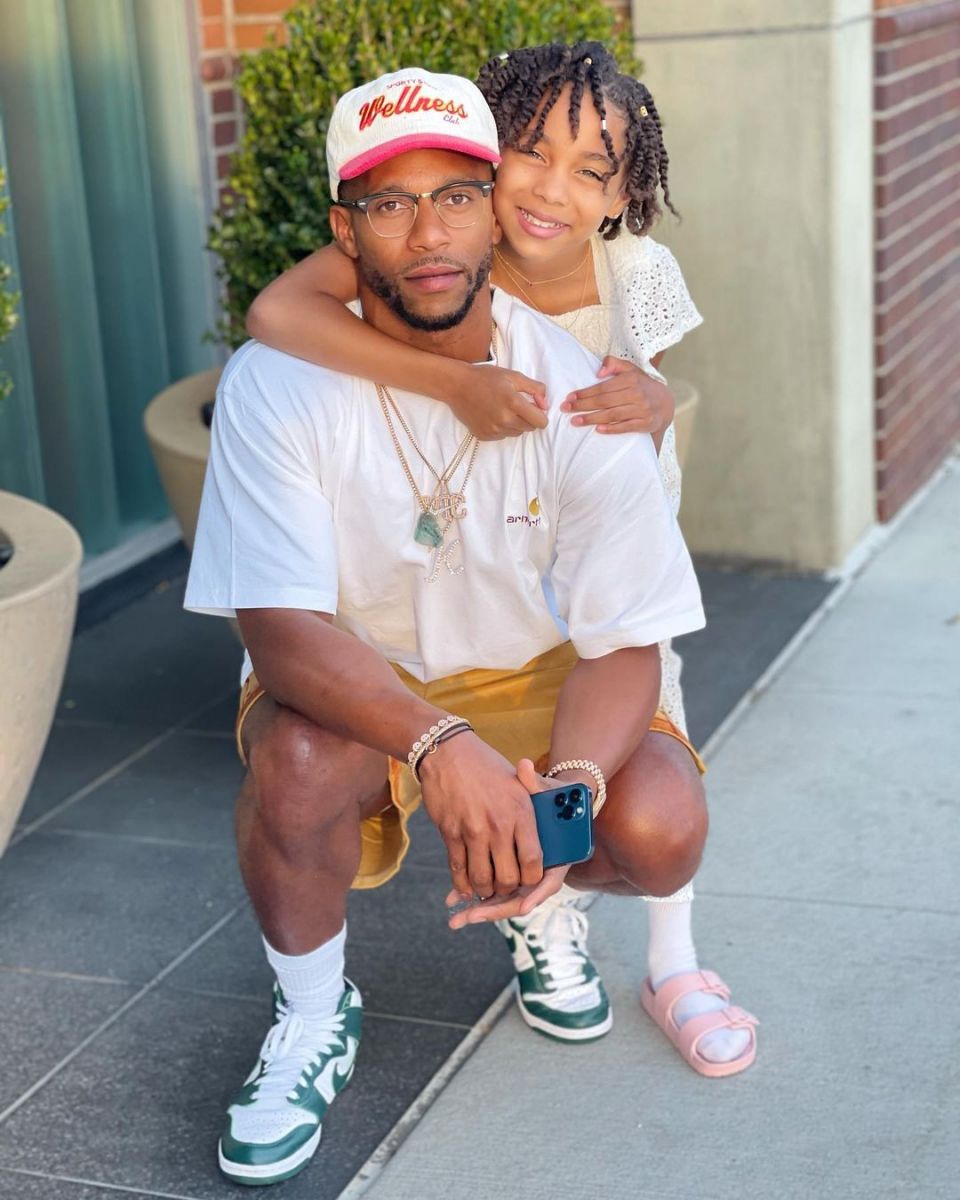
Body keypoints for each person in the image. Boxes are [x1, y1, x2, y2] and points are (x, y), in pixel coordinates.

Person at [185, 68, 756, 1187]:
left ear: (493, 206)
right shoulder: (277, 383)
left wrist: (564, 793)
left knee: (655, 823)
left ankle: (547, 907)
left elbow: (628, 637)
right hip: (362, 668)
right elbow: (281, 629)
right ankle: (309, 1014)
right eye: (391, 205)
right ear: (346, 233)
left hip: (534, 668)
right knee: (298, 764)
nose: (430, 230)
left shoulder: (587, 388)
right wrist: (437, 746)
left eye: (455, 195)